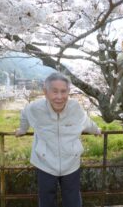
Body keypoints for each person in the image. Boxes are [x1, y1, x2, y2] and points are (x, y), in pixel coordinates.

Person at [15, 72, 101, 207]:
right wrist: (22, 130)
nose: (59, 97)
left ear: (68, 92)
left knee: (72, 198)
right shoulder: (36, 108)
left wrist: (96, 130)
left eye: (63, 91)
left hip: (71, 161)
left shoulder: (75, 107)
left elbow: (86, 121)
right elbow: (25, 114)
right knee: (46, 198)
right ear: (45, 92)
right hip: (45, 162)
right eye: (54, 92)